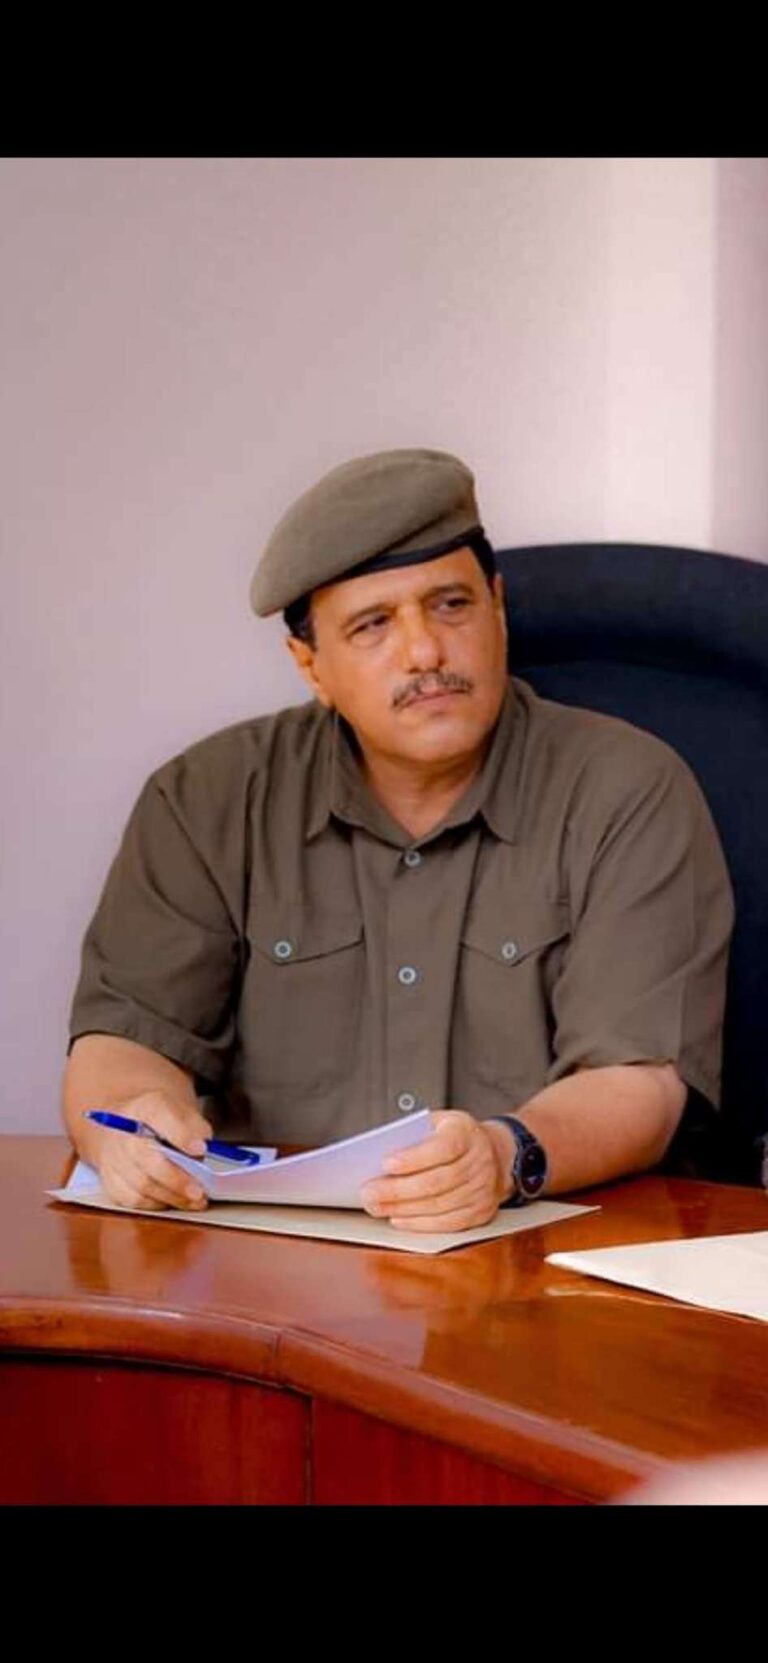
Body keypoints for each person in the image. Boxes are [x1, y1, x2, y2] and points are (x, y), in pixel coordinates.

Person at [62, 449, 734, 1231]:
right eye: (373, 625)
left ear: (498, 608)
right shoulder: (204, 800)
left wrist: (503, 1155)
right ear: (311, 665)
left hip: (540, 1257)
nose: (425, 652)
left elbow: (640, 1083)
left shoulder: (627, 788)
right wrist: (132, 1125)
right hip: (272, 1266)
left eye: (450, 605)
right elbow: (124, 1040)